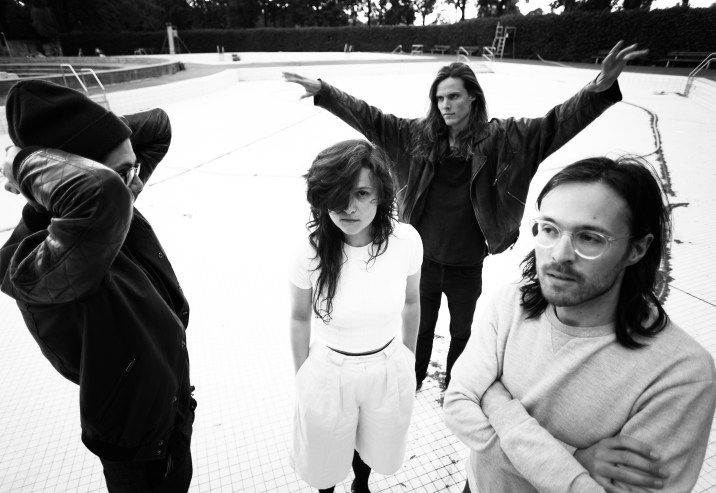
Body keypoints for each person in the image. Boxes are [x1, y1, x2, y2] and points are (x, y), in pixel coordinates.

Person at [284, 41, 648, 390]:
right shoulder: (416, 137)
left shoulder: (504, 138)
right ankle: (414, 377)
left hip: (468, 262)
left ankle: (454, 383)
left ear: (473, 97)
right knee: (422, 326)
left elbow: (554, 125)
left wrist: (598, 89)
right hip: (424, 260)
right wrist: (326, 92)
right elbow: (371, 119)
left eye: (454, 96)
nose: (445, 105)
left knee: (461, 330)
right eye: (440, 98)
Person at [443, 156, 716, 492]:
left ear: (637, 249)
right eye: (549, 229)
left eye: (589, 237)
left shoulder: (680, 374)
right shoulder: (511, 302)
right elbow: (457, 405)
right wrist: (573, 461)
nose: (559, 254)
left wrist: (495, 402)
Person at [0, 80, 196, 492]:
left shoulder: (105, 212)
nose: (135, 186)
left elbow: (158, 127)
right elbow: (101, 193)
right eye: (123, 174)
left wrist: (97, 137)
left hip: (170, 407)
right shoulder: (41, 264)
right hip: (140, 450)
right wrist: (22, 162)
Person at [288, 139, 422, 493]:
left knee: (374, 445)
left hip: (388, 365)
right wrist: (303, 377)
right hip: (328, 371)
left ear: (380, 194)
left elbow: (412, 302)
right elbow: (299, 318)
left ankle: (361, 486)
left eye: (362, 193)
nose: (349, 207)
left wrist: (408, 358)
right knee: (324, 457)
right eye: (338, 194)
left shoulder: (406, 241)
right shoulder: (309, 253)